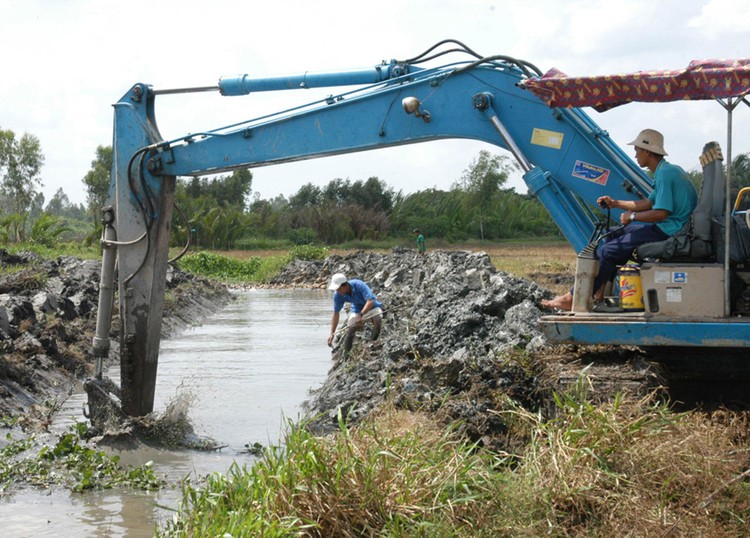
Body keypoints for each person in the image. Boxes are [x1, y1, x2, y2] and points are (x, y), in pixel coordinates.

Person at [542, 129, 698, 311]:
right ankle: (599, 292)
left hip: (672, 231)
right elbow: (647, 203)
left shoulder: (664, 174)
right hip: (670, 228)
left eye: (638, 150)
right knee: (611, 234)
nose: (636, 155)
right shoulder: (667, 170)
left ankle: (572, 297)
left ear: (647, 151)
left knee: (608, 251)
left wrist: (631, 217)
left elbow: (660, 213)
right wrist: (615, 203)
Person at [327, 272, 383, 357]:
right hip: (357, 311)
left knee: (378, 317)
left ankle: (372, 341)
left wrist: (360, 315)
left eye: (339, 289)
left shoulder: (358, 284)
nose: (338, 291)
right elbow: (336, 314)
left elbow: (370, 301)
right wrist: (332, 333)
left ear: (345, 285)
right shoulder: (338, 295)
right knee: (350, 328)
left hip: (372, 308)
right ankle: (346, 354)